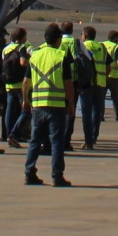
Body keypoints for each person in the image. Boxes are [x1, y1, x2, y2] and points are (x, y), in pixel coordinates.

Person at [21, 23, 74, 187]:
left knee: (35, 140)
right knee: (56, 141)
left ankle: (29, 172)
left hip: (37, 105)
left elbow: (25, 82)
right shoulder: (61, 56)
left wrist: (25, 100)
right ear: (58, 39)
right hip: (56, 105)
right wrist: (71, 104)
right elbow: (68, 84)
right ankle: (57, 176)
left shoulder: (35, 56)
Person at [77, 25, 107, 148]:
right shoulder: (102, 47)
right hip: (101, 83)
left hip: (87, 83)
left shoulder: (83, 47)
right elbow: (108, 64)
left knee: (86, 112)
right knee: (97, 112)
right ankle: (94, 137)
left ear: (85, 36)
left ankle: (88, 140)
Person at [0, 27, 30, 144]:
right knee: (26, 110)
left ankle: (8, 135)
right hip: (19, 84)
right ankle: (14, 133)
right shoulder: (21, 48)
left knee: (9, 110)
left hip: (8, 84)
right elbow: (22, 62)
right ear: (22, 37)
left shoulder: (6, 49)